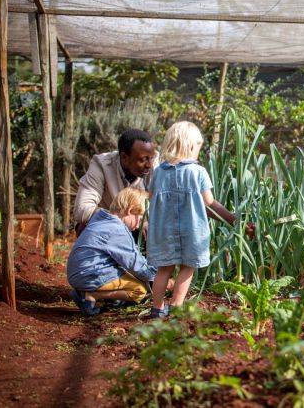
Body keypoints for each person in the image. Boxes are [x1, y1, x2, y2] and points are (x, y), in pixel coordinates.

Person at [146, 121, 251, 319]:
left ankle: (157, 308)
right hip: (191, 230)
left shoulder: (158, 172)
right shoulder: (198, 172)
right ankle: (176, 306)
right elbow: (210, 203)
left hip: (163, 230)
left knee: (163, 269)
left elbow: (152, 198)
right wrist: (234, 219)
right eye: (198, 147)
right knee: (187, 267)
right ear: (191, 146)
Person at [67, 187, 156, 316]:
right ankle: (90, 295)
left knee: (129, 278)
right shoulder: (117, 230)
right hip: (90, 274)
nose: (138, 226)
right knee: (139, 290)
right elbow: (135, 264)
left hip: (79, 271)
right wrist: (158, 277)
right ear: (130, 210)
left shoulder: (101, 218)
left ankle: (96, 297)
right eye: (140, 219)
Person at [73, 129, 157, 235]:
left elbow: (163, 207)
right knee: (84, 226)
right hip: (106, 228)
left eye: (151, 158)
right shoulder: (101, 165)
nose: (149, 165)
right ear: (124, 157)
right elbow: (82, 209)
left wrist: (143, 220)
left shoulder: (155, 165)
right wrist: (121, 218)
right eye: (143, 159)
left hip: (138, 227)